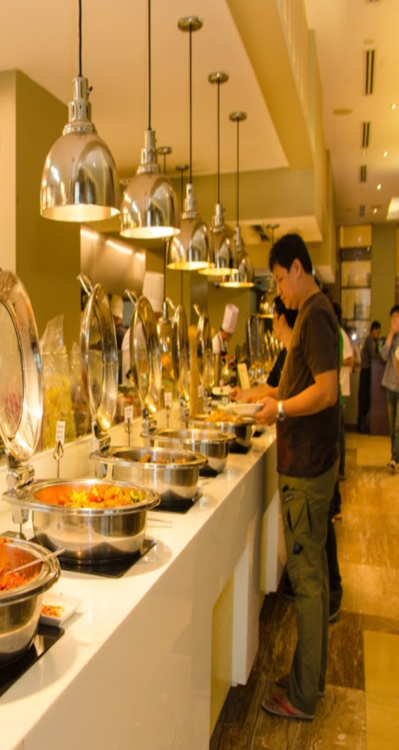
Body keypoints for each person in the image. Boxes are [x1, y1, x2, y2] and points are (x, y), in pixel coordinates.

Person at [255, 234, 339, 723]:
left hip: (307, 467)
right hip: (306, 463)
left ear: (298, 268)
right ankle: (311, 678)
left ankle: (303, 697)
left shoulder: (316, 313)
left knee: (307, 582)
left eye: (280, 279)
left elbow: (327, 391)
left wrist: (280, 408)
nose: (279, 290)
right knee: (314, 579)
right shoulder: (310, 313)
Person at [231, 296, 297, 403]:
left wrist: (263, 397)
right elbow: (268, 387)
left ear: (282, 320)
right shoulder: (282, 355)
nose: (272, 324)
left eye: (274, 318)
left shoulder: (298, 355)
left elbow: (289, 392)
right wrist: (242, 393)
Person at [333, 303, 353, 481]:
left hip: (342, 388)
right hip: (338, 389)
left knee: (339, 432)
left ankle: (340, 470)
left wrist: (335, 364)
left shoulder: (340, 334)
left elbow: (350, 359)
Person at [381, 305, 399, 469]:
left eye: (397, 317)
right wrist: (391, 334)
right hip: (390, 385)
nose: (394, 320)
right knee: (392, 425)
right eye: (392, 317)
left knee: (398, 425)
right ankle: (394, 454)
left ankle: (394, 457)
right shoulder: (390, 338)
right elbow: (384, 355)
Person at [358, 321, 381, 433]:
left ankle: (363, 425)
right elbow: (374, 355)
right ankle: (361, 426)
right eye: (378, 331)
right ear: (374, 330)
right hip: (366, 371)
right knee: (364, 399)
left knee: (366, 399)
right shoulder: (369, 341)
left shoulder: (370, 340)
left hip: (367, 372)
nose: (378, 334)